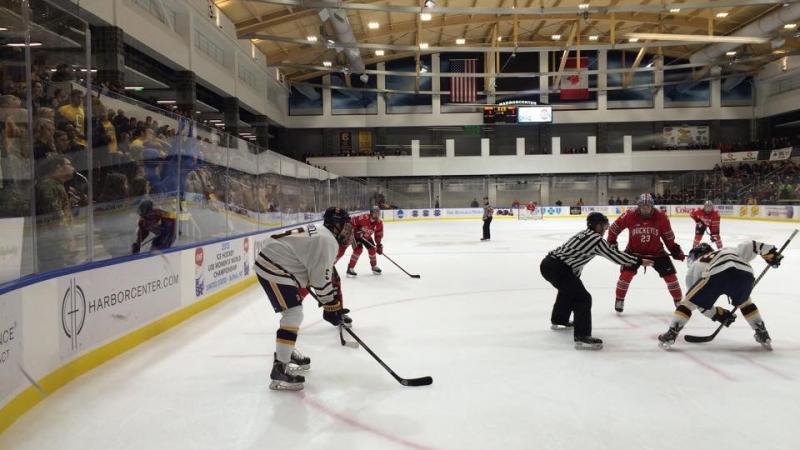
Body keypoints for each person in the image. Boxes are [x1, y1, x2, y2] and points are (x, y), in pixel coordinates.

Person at [254, 207, 354, 391]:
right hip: (273, 267)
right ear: (337, 225)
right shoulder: (327, 241)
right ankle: (280, 370)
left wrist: (331, 304)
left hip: (279, 263)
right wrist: (331, 306)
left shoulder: (323, 234)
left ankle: (286, 352)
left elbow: (317, 274)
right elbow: (319, 280)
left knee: (294, 312)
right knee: (293, 314)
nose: (349, 230)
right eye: (346, 225)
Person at [541, 212, 653, 350]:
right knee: (583, 298)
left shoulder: (584, 234)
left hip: (549, 264)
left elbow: (574, 255)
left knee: (568, 291)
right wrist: (639, 261)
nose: (606, 229)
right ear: (598, 226)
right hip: (559, 268)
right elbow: (615, 257)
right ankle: (582, 336)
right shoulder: (596, 240)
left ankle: (559, 319)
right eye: (604, 225)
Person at [658, 241, 783, 350]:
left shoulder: (696, 265)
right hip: (744, 274)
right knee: (745, 302)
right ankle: (762, 332)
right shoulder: (729, 250)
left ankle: (672, 333)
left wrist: (716, 314)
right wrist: (770, 254)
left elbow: (698, 302)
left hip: (717, 274)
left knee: (688, 303)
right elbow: (752, 245)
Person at [607, 193, 685, 314]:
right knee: (625, 276)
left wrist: (674, 249)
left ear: (652, 206)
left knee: (671, 278)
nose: (645, 209)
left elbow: (668, 237)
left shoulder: (661, 217)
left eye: (648, 206)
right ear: (638, 206)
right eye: (643, 206)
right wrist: (611, 241)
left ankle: (679, 302)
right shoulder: (629, 214)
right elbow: (614, 228)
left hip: (657, 253)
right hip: (633, 253)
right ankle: (619, 299)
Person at [346, 205, 384, 276]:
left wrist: (379, 244)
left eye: (378, 213)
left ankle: (374, 266)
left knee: (372, 249)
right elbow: (351, 222)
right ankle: (350, 268)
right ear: (371, 213)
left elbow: (378, 234)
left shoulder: (379, 223)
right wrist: (356, 230)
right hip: (355, 236)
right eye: (375, 213)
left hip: (366, 237)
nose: (376, 215)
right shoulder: (363, 218)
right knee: (358, 249)